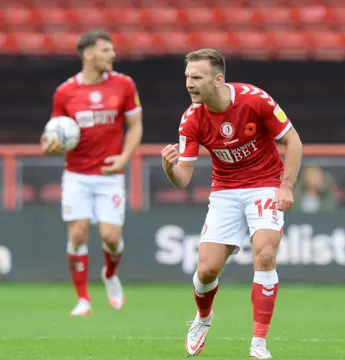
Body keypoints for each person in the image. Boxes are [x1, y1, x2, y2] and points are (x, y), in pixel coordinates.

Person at [160, 49, 303, 358]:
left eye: (196, 77)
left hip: (265, 185)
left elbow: (293, 141)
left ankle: (259, 343)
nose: (189, 84)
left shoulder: (255, 100)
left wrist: (286, 186)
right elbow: (183, 177)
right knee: (207, 271)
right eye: (187, 77)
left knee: (265, 254)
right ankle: (203, 318)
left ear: (218, 79)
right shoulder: (191, 119)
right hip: (225, 191)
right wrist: (170, 168)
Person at [41, 30, 143, 316]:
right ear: (89, 54)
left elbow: (135, 126)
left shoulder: (124, 84)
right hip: (76, 175)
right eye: (106, 50)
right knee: (78, 233)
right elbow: (52, 133)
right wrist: (49, 146)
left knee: (110, 237)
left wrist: (124, 157)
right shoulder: (65, 92)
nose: (113, 55)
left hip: (110, 174)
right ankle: (83, 298)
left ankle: (110, 274)